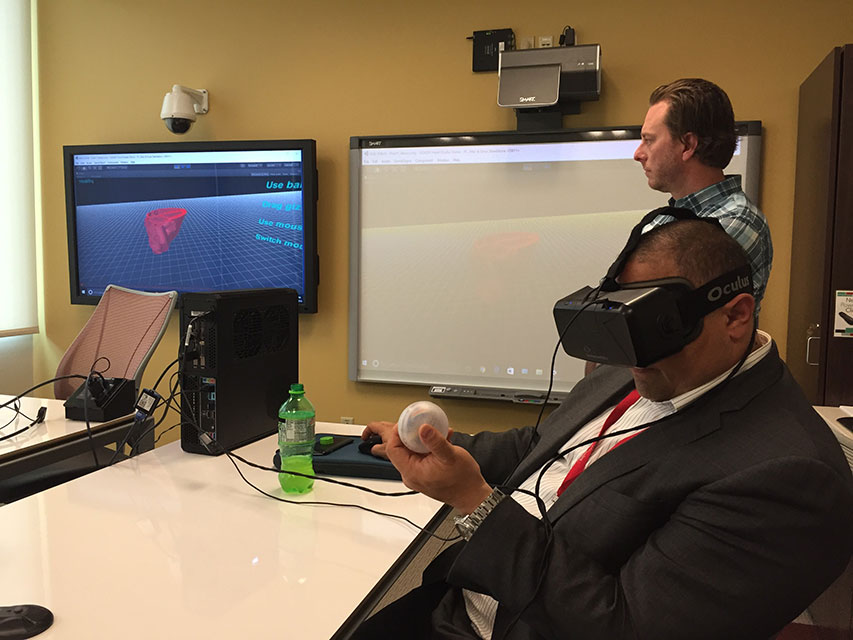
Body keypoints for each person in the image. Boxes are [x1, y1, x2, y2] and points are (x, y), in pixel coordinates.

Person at [354, 216, 853, 640]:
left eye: (650, 330)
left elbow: (626, 626)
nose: (631, 357)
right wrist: (438, 446)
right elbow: (548, 446)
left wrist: (475, 503)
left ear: (736, 315)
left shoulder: (788, 476)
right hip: (465, 602)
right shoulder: (643, 362)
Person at [634, 78, 773, 307]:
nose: (638, 154)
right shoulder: (663, 219)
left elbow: (656, 312)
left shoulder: (734, 221)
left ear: (687, 145)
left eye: (649, 140)